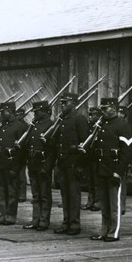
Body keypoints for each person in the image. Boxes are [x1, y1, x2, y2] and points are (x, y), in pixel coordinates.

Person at [89, 98, 132, 242]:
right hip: (102, 168)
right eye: (101, 109)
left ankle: (113, 232)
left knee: (114, 204)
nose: (102, 112)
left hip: (114, 169)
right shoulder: (102, 125)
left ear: (114, 108)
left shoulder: (123, 126)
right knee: (104, 203)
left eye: (105, 109)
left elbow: (128, 151)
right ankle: (104, 230)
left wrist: (119, 171)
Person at [53, 93, 89, 236]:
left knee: (73, 195)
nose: (62, 105)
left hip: (73, 163)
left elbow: (85, 144)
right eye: (61, 103)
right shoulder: (62, 120)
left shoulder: (79, 119)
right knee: (65, 195)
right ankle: (66, 222)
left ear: (73, 103)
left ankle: (74, 224)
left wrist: (80, 165)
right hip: (63, 163)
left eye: (65, 103)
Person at [0, 102, 27, 225]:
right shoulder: (2, 126)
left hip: (11, 163)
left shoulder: (19, 126)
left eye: (3, 112)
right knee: (1, 191)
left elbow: (21, 151)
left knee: (12, 191)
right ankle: (3, 214)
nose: (1, 114)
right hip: (0, 162)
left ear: (10, 112)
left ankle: (11, 215)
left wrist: (15, 168)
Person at [22, 101, 55, 231]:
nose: (35, 113)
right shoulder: (34, 124)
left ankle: (44, 221)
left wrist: (47, 167)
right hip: (33, 162)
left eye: (37, 111)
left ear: (44, 111)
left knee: (44, 195)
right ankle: (35, 220)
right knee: (36, 194)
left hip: (43, 163)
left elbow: (52, 150)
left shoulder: (51, 125)